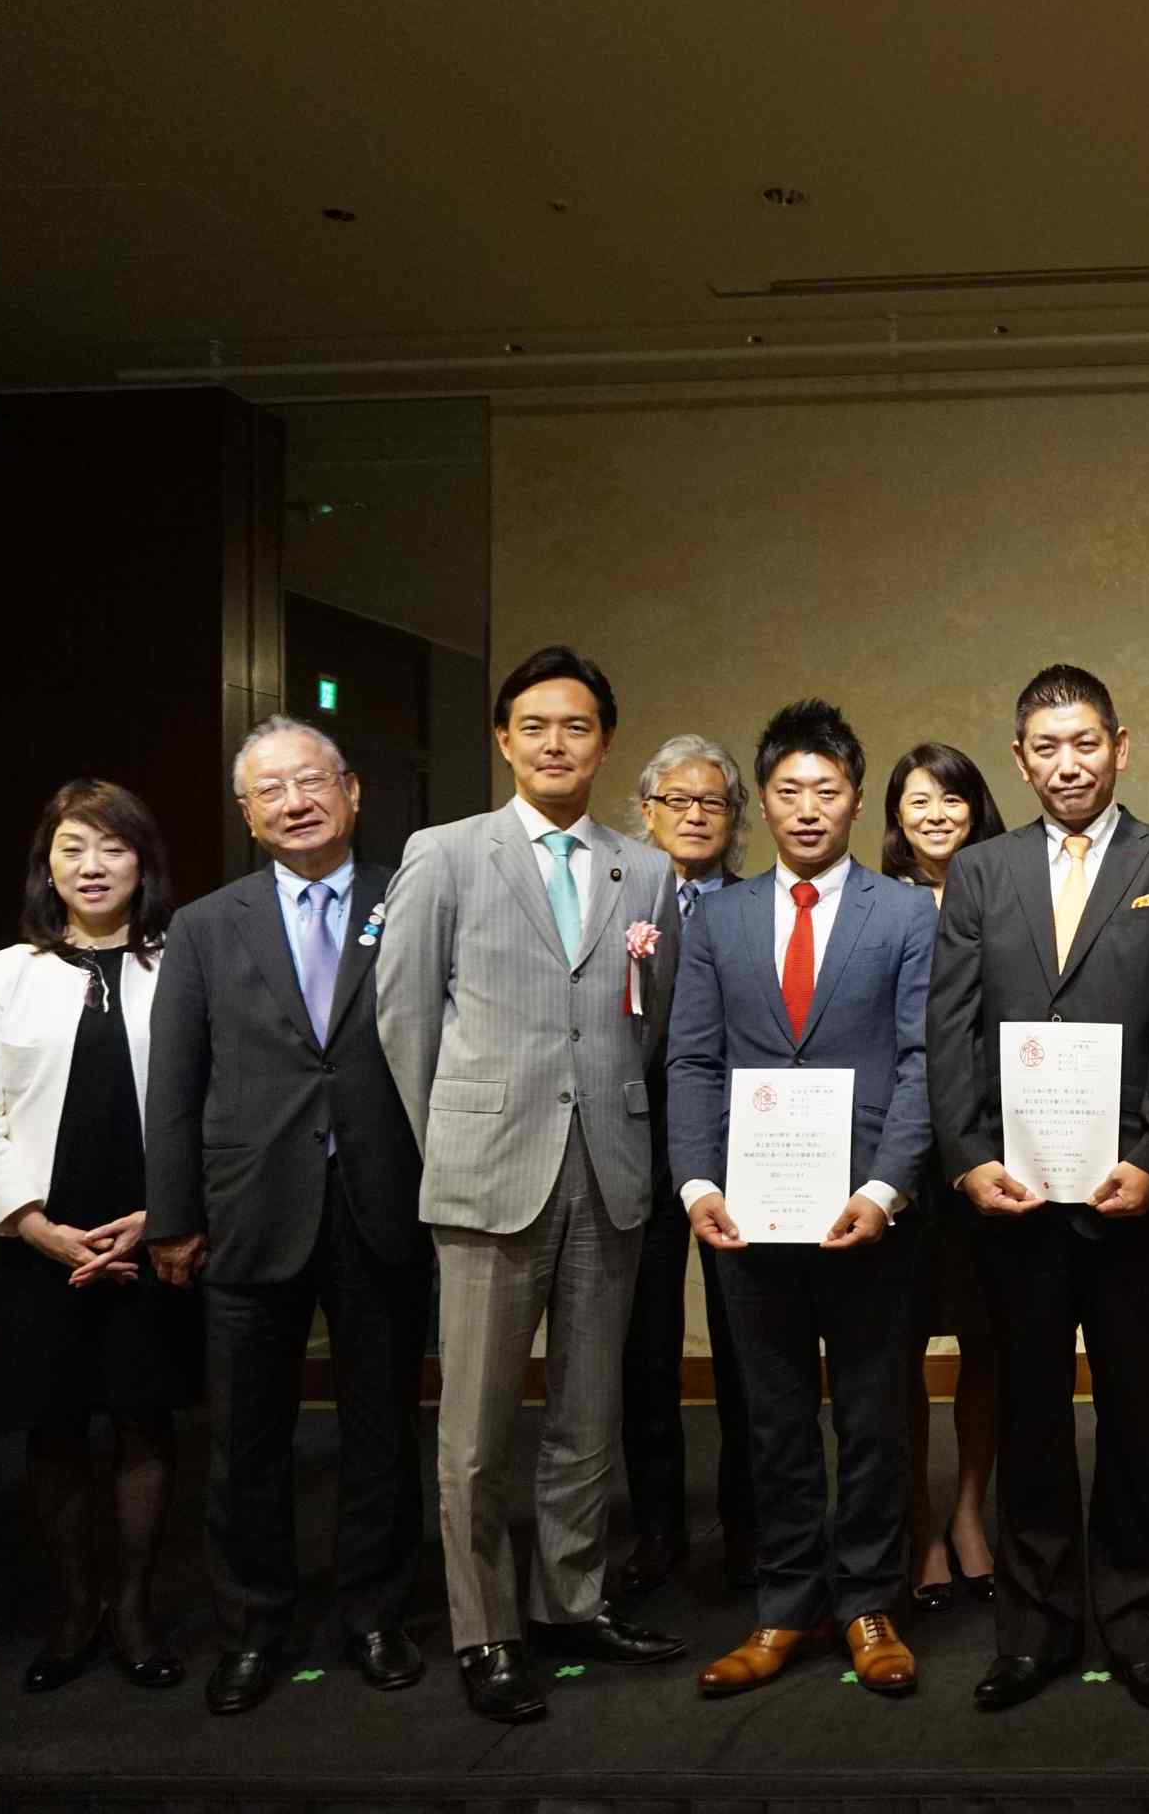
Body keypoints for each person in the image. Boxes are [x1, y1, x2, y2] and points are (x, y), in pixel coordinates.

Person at [374, 644, 688, 1724]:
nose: (558, 744)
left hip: (609, 1168)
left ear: (606, 744)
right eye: (537, 727)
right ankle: (487, 1628)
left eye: (579, 727)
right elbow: (405, 1018)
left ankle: (572, 1598)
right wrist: (459, 1133)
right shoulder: (445, 854)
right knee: (474, 1429)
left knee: (588, 1414)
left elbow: (652, 1017)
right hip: (487, 1172)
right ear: (504, 740)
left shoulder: (644, 870)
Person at [925, 664, 1149, 1715]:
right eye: (1046, 747)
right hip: (1013, 1195)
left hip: (1134, 1196)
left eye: (1086, 742)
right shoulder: (979, 872)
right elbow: (949, 1026)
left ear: (1120, 746)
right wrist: (968, 1157)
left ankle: (1142, 1628)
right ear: (1020, 759)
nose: (1068, 763)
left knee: (1138, 1415)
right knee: (1030, 1418)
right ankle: (1035, 1628)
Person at [142, 718, 433, 1714]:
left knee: (383, 1426)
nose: (295, 802)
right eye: (270, 790)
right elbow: (175, 1083)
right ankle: (253, 1626)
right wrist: (172, 1214)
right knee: (247, 1437)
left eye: (311, 781)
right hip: (248, 1207)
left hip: (384, 1199)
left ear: (351, 790)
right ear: (247, 812)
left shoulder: (411, 896)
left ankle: (378, 1613)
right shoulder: (205, 925)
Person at [670, 700, 938, 1698]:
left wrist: (886, 1187)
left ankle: (869, 1602)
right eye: (789, 790)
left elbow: (921, 1062)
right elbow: (693, 1058)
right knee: (774, 1420)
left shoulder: (905, 914)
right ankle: (784, 1606)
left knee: (872, 1418)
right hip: (750, 1215)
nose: (809, 807)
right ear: (765, 800)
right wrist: (698, 1182)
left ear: (857, 799)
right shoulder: (720, 917)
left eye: (828, 789)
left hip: (867, 1213)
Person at [0, 779, 194, 1694]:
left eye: (112, 847)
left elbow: (213, 1103)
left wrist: (165, 1214)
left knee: (143, 1419)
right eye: (72, 848)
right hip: (35, 1235)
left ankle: (133, 1610)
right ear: (46, 866)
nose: (92, 866)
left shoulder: (183, 962)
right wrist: (33, 1227)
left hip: (153, 1227)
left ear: (143, 862)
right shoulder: (4, 974)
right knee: (53, 1428)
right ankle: (75, 1610)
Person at [618, 733, 756, 1596]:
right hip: (636, 1147)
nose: (696, 815)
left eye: (714, 802)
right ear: (647, 811)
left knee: (747, 1347)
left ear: (736, 818)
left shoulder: (759, 906)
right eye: (678, 800)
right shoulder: (616, 904)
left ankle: (750, 1525)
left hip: (742, 1151)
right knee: (645, 1347)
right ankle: (658, 1527)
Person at [879, 743, 1008, 1614]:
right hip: (897, 1159)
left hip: (989, 1147)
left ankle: (968, 1513)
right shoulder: (874, 902)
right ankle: (918, 1524)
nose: (935, 814)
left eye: (951, 798)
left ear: (976, 807)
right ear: (895, 815)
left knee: (987, 1344)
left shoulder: (1007, 890)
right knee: (895, 1352)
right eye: (917, 799)